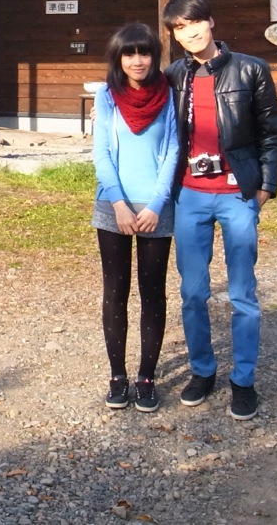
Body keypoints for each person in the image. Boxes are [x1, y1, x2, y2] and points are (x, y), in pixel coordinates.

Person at [162, 0, 277, 421]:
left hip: (237, 195)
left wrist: (265, 187)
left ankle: (243, 380)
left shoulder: (251, 69)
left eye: (195, 22)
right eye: (180, 28)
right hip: (190, 195)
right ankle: (202, 371)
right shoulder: (172, 76)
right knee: (193, 292)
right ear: (175, 35)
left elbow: (271, 131)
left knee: (242, 293)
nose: (190, 32)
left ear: (210, 21)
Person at [92, 22, 179, 413]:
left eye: (144, 53)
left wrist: (156, 204)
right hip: (114, 207)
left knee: (152, 292)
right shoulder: (106, 96)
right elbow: (101, 154)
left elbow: (174, 150)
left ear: (154, 56)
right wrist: (119, 204)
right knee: (115, 291)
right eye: (129, 53)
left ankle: (146, 377)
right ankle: (117, 376)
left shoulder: (168, 93)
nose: (138, 60)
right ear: (119, 58)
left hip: (155, 208)